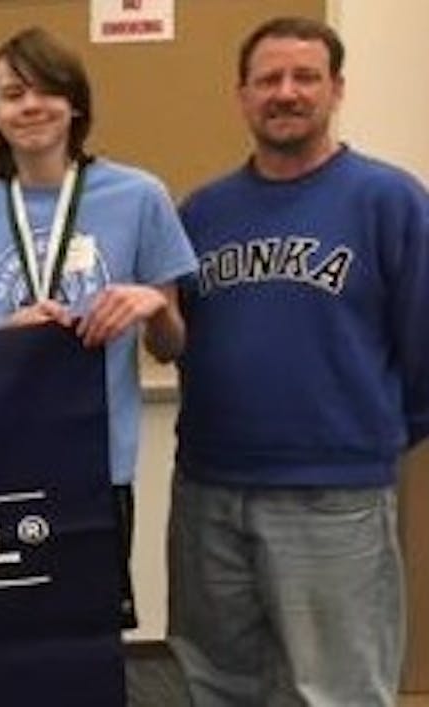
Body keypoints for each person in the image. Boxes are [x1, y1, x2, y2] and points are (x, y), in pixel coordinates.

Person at [170, 17, 429, 706]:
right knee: (213, 685)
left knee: (335, 690)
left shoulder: (389, 200)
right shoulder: (202, 211)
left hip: (334, 496)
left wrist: (362, 440)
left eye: (304, 77)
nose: (285, 93)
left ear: (336, 89)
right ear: (242, 96)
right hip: (208, 490)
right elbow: (181, 337)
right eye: (268, 80)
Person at [0, 27, 197, 630]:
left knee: (90, 636)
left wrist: (153, 304)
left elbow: (173, 345)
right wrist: (11, 339)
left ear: (75, 102)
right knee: (5, 636)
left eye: (47, 90)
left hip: (98, 465)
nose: (31, 106)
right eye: (13, 94)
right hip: (0, 461)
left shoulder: (140, 196)